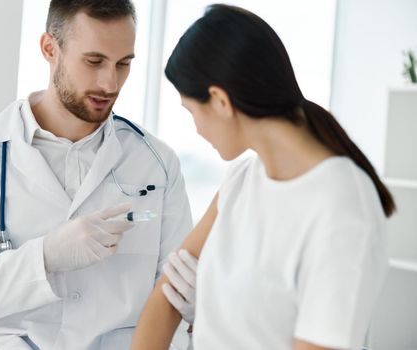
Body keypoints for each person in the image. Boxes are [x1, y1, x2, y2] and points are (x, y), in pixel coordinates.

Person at [0, 1, 193, 349]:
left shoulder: (157, 163)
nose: (110, 83)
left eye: (123, 64)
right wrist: (44, 257)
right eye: (94, 61)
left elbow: (177, 297)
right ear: (50, 49)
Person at [131, 4, 395, 350]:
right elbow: (165, 297)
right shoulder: (243, 177)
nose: (195, 128)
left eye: (191, 112)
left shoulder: (342, 207)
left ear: (220, 101)